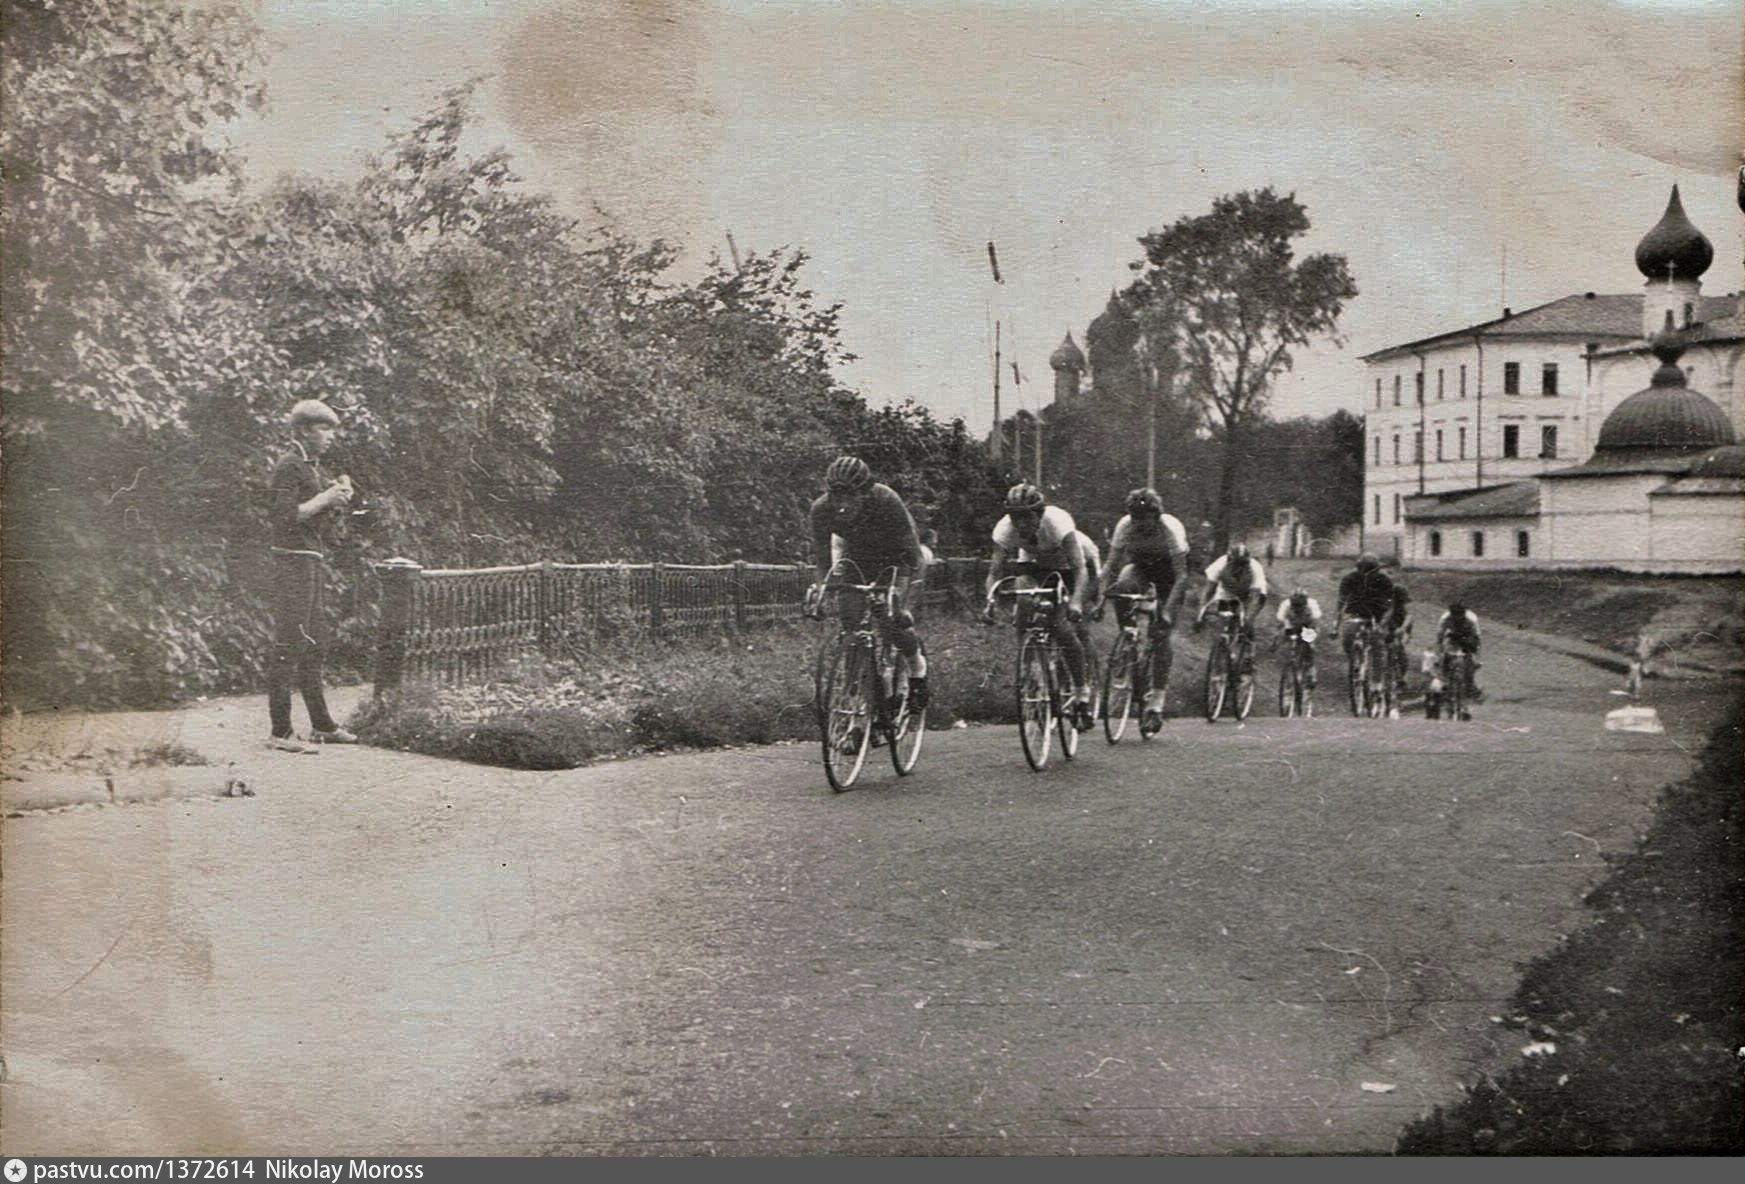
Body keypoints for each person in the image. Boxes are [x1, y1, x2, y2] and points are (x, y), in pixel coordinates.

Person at [266, 398, 360, 752]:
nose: (330, 437)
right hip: (291, 562)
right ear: (304, 430)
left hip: (309, 560)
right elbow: (285, 515)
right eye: (324, 429)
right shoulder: (288, 466)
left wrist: (337, 498)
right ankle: (280, 732)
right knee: (289, 644)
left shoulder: (309, 468)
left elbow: (313, 519)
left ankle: (321, 725)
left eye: (332, 430)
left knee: (315, 643)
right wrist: (326, 497)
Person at [806, 455, 930, 710]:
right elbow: (821, 560)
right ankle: (856, 699)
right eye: (836, 496)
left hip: (897, 558)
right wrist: (821, 592)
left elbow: (915, 557)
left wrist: (905, 603)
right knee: (850, 623)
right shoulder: (821, 509)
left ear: (865, 492)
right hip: (858, 558)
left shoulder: (886, 500)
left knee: (893, 619)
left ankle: (917, 667)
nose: (841, 505)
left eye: (849, 496)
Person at [983, 482, 1098, 730]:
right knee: (1023, 600)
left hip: (1071, 566)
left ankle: (1082, 694)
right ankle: (1030, 668)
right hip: (1036, 562)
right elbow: (994, 572)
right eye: (1016, 517)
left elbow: (1080, 570)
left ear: (1040, 513)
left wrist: (1076, 601)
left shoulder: (1058, 524)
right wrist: (989, 600)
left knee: (1064, 629)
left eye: (1027, 517)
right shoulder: (1004, 529)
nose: (1021, 524)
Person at [1098, 487, 1189, 733]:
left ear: (1156, 516)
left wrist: (1167, 611)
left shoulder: (1170, 529)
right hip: (1141, 567)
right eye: (1135, 518)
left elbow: (1182, 577)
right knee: (1123, 585)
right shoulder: (1125, 525)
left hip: (1170, 574)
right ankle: (1127, 638)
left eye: (1144, 519)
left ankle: (1156, 704)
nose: (1139, 524)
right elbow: (1109, 567)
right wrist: (1099, 599)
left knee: (1161, 636)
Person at [1194, 542, 1270, 663]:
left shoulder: (1256, 569)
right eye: (1236, 563)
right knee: (1223, 618)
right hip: (1227, 591)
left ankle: (1248, 655)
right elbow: (1208, 591)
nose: (1239, 567)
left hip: (1250, 593)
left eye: (1243, 564)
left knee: (1246, 622)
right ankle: (1222, 650)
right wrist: (1199, 615)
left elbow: (1255, 599)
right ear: (1229, 560)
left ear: (1248, 562)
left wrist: (1247, 619)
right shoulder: (1220, 564)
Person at [1333, 552, 1396, 669]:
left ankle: (1377, 683)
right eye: (1363, 568)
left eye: (1370, 568)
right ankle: (1354, 659)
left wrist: (1382, 623)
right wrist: (1335, 626)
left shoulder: (1384, 580)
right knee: (1347, 637)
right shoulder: (1349, 578)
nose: (1366, 572)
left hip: (1377, 615)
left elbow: (1390, 603)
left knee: (1377, 645)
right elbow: (1341, 601)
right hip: (1354, 612)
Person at [1274, 585, 1324, 692]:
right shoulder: (1285, 605)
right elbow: (1282, 621)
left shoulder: (1312, 607)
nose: (1297, 608)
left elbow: (1313, 624)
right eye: (1295, 605)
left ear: (1305, 603)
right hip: (1292, 624)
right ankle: (1288, 662)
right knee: (1282, 638)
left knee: (1309, 644)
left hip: (1308, 625)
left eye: (1300, 605)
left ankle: (1310, 668)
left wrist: (1308, 638)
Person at [1436, 600, 1484, 702]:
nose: (1457, 619)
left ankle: (1471, 687)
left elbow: (1477, 640)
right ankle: (1446, 683)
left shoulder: (1472, 619)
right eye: (1454, 617)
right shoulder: (1445, 619)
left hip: (1467, 638)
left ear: (1464, 614)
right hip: (1452, 638)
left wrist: (1477, 658)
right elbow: (1440, 638)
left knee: (1469, 663)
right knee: (1446, 658)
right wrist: (1439, 655)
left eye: (1460, 617)